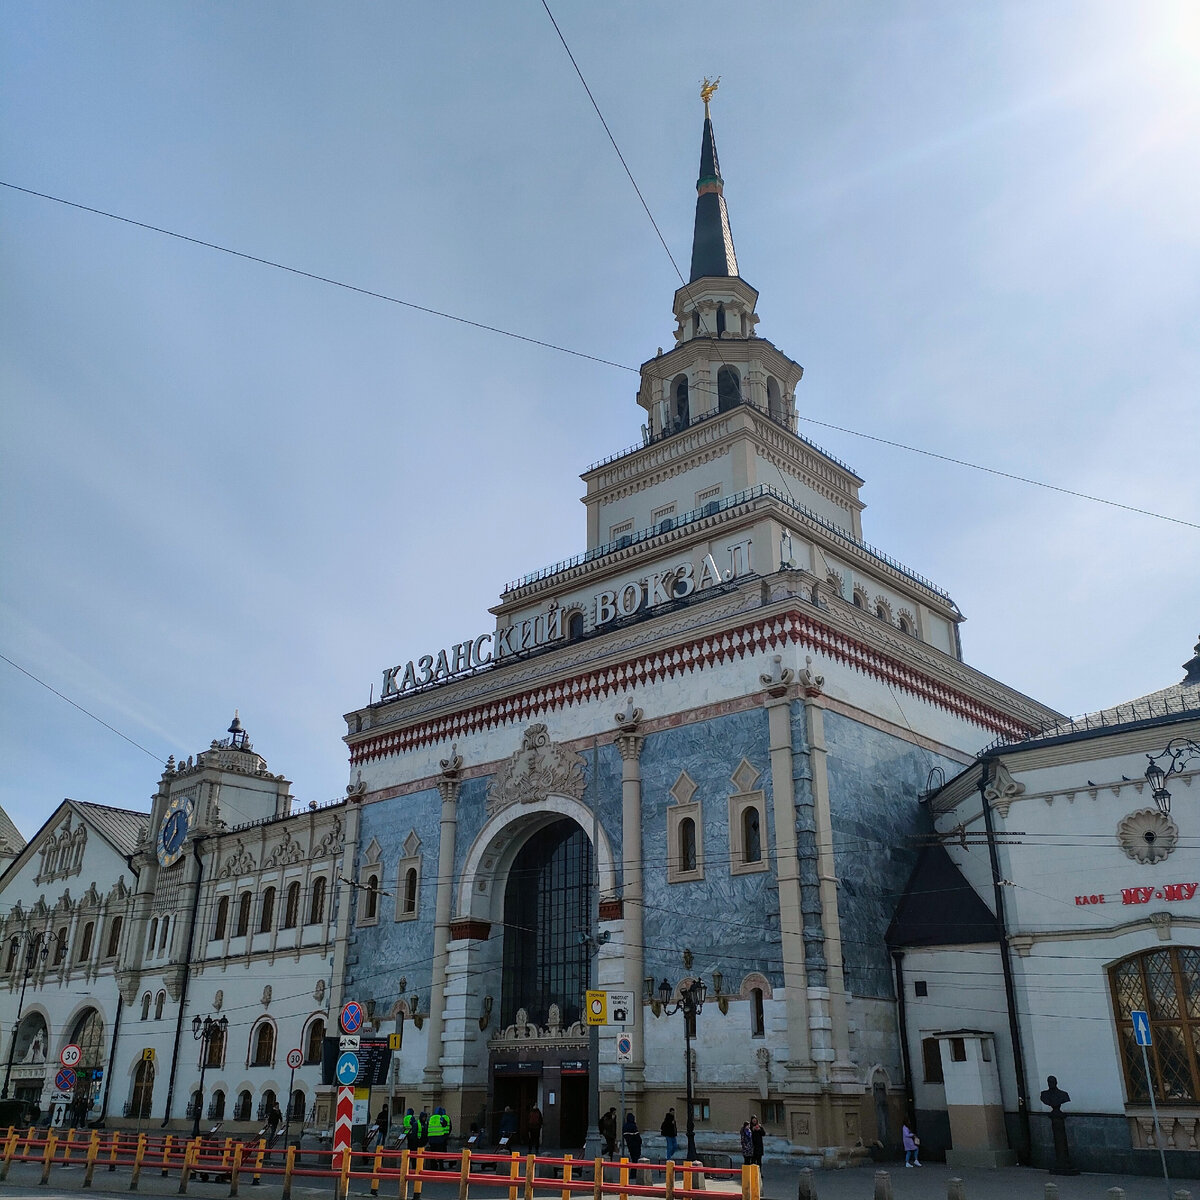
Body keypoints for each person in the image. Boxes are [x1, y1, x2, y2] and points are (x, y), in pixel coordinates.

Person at [622, 1111, 641, 1176]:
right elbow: (637, 1136)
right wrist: (640, 1142)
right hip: (635, 1145)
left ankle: (632, 1173)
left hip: (629, 1144)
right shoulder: (633, 1126)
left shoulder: (625, 1126)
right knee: (635, 1159)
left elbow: (625, 1135)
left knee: (633, 1158)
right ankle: (633, 1173)